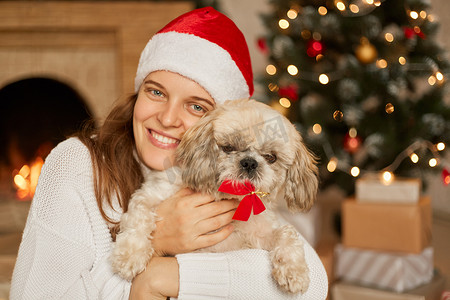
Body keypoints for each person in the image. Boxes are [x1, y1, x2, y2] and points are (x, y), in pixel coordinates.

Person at [10, 7, 328, 300]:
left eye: (195, 106)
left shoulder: (241, 192)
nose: (167, 118)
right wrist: (157, 244)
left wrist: (166, 275)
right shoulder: (76, 164)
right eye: (156, 91)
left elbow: (311, 282)